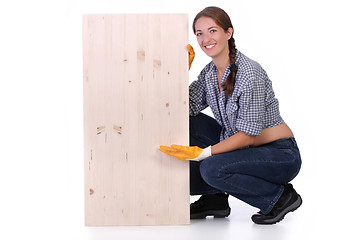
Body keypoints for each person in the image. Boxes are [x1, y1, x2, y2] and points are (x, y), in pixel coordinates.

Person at [160, 6, 302, 225]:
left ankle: (279, 197)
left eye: (212, 31)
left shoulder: (249, 73)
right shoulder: (209, 73)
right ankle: (215, 199)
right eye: (199, 33)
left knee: (210, 169)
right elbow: (182, 108)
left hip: (279, 154)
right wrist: (178, 72)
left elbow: (248, 136)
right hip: (242, 149)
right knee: (188, 125)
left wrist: (204, 153)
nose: (206, 38)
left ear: (228, 32)